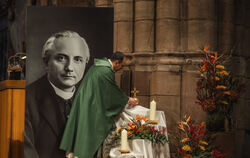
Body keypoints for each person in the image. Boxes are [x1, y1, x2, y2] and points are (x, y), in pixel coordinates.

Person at [24, 30, 90, 158]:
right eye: (61, 58)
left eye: (78, 59)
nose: (70, 67)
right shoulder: (26, 100)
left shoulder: (92, 101)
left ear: (85, 64)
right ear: (46, 62)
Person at [60, 52, 138, 158]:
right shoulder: (105, 71)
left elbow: (107, 90)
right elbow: (112, 93)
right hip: (91, 106)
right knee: (107, 128)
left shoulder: (99, 67)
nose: (121, 68)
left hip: (86, 103)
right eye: (122, 65)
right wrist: (127, 99)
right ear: (116, 62)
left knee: (82, 130)